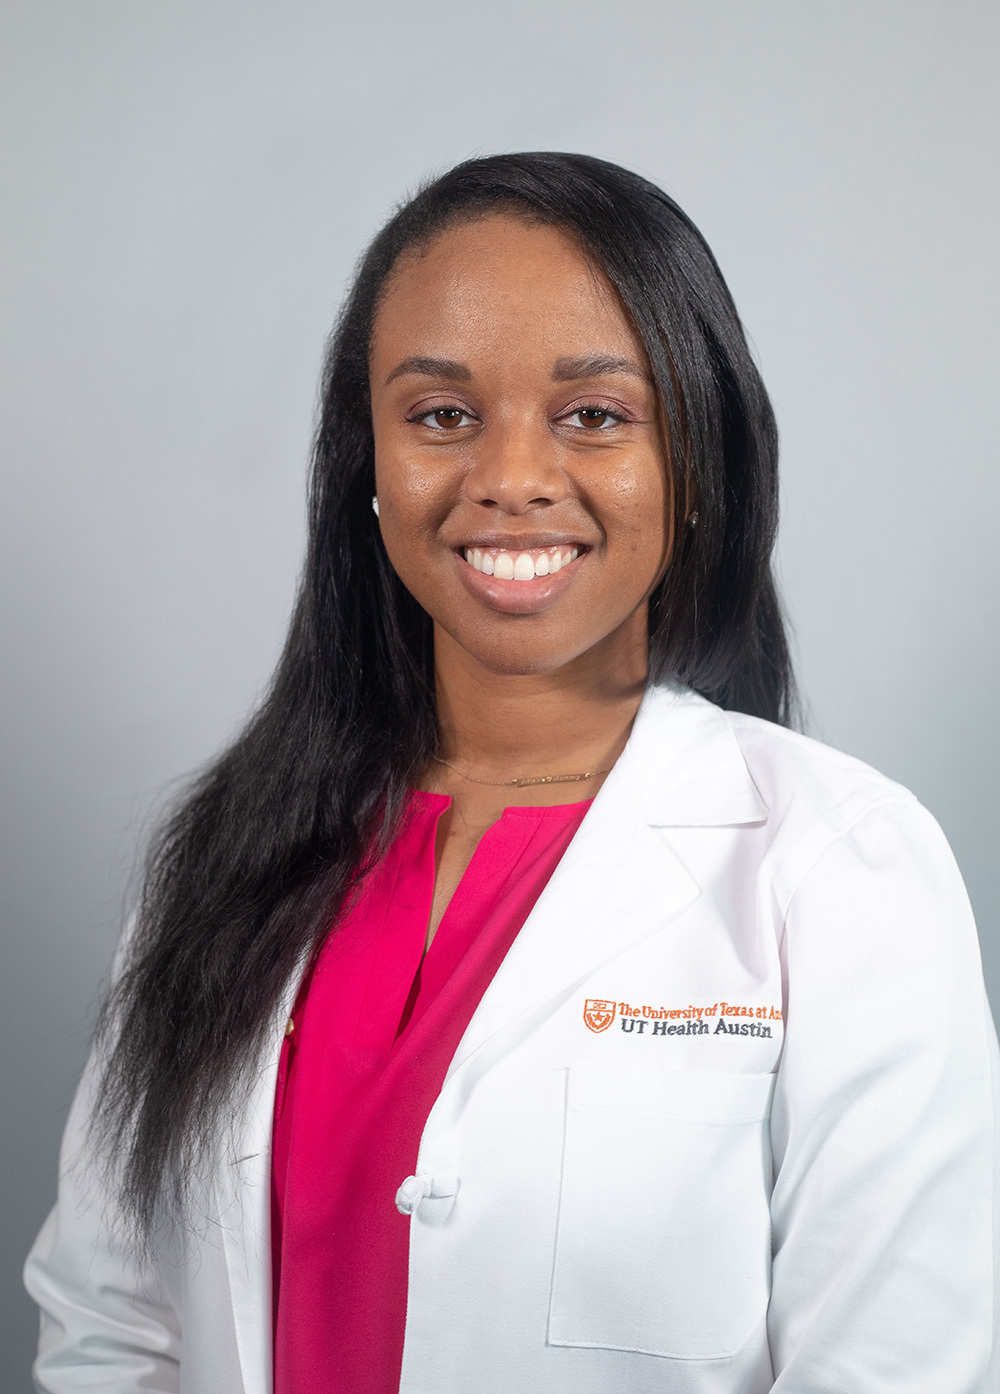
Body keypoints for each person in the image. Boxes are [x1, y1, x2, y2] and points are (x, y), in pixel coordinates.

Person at [24, 152, 998, 1394]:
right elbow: (114, 1327)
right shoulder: (222, 856)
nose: (511, 478)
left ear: (694, 457)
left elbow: (893, 1370)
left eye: (595, 414)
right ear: (365, 467)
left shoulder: (838, 865)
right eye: (440, 415)